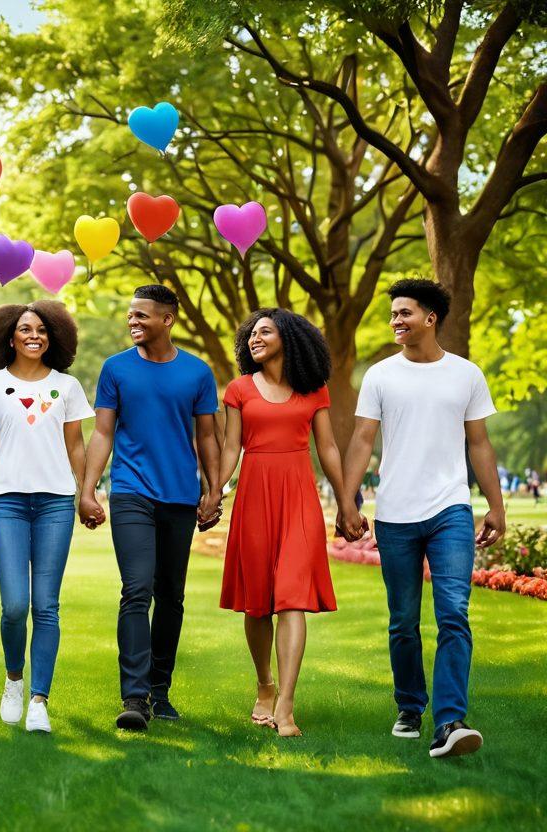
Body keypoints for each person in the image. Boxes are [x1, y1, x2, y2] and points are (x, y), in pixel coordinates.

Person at [339, 279, 504, 759]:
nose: (396, 321)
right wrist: (348, 501)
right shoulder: (380, 376)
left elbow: (479, 443)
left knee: (454, 613)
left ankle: (451, 720)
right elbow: (363, 441)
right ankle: (410, 705)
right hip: (395, 514)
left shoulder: (466, 374)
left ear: (431, 318)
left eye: (405, 313)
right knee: (403, 621)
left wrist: (495, 505)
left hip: (451, 507)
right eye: (393, 314)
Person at [79, 284, 222, 731]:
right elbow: (102, 433)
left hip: (180, 495)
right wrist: (88, 487)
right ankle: (135, 696)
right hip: (131, 491)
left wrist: (214, 489)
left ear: (168, 319)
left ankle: (161, 690)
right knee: (136, 589)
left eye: (142, 315)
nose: (133, 322)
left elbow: (207, 438)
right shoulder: (115, 369)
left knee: (171, 596)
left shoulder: (197, 373)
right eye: (130, 315)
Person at [0, 301, 94, 733]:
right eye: (25, 329)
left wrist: (86, 492)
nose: (34, 336)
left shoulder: (67, 386)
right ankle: (14, 679)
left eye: (42, 330)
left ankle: (39, 699)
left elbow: (76, 447)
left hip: (55, 502)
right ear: (8, 337)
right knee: (15, 605)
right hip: (6, 502)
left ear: (54, 337)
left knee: (46, 606)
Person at [214, 309, 346, 737]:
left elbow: (326, 447)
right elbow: (232, 446)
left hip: (299, 497)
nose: (255, 338)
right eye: (251, 334)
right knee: (258, 602)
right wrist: (214, 491)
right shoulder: (239, 389)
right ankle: (265, 684)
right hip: (254, 493)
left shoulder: (313, 390)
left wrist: (347, 503)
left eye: (264, 331)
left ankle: (286, 705)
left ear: (287, 338)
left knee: (291, 596)